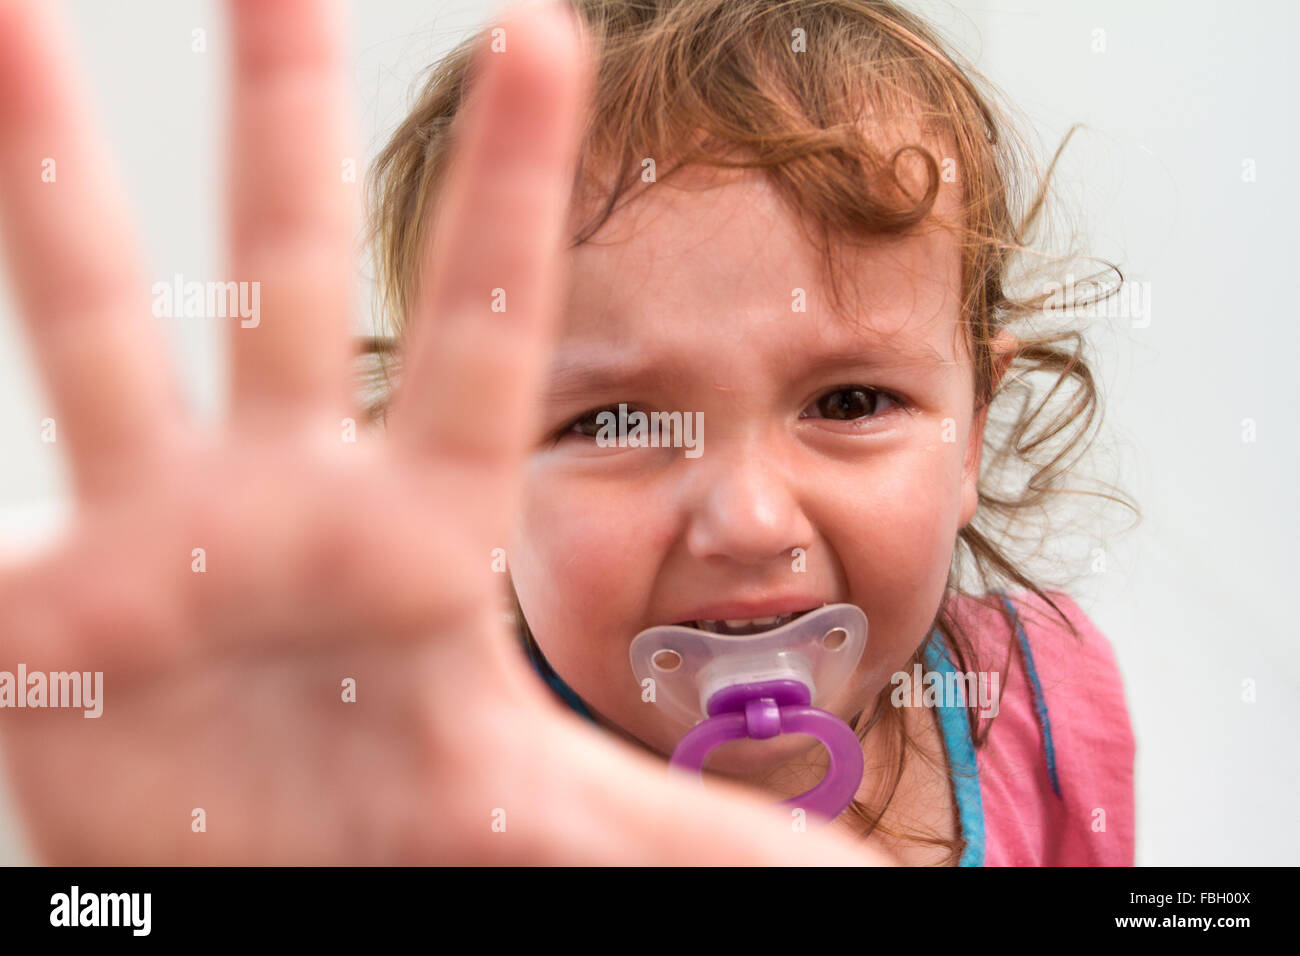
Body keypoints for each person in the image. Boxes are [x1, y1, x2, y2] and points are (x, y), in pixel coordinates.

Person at [0, 0, 1133, 865]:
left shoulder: (1047, 700)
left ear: (973, 431)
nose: (746, 518)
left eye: (849, 402)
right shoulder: (420, 805)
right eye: (617, 420)